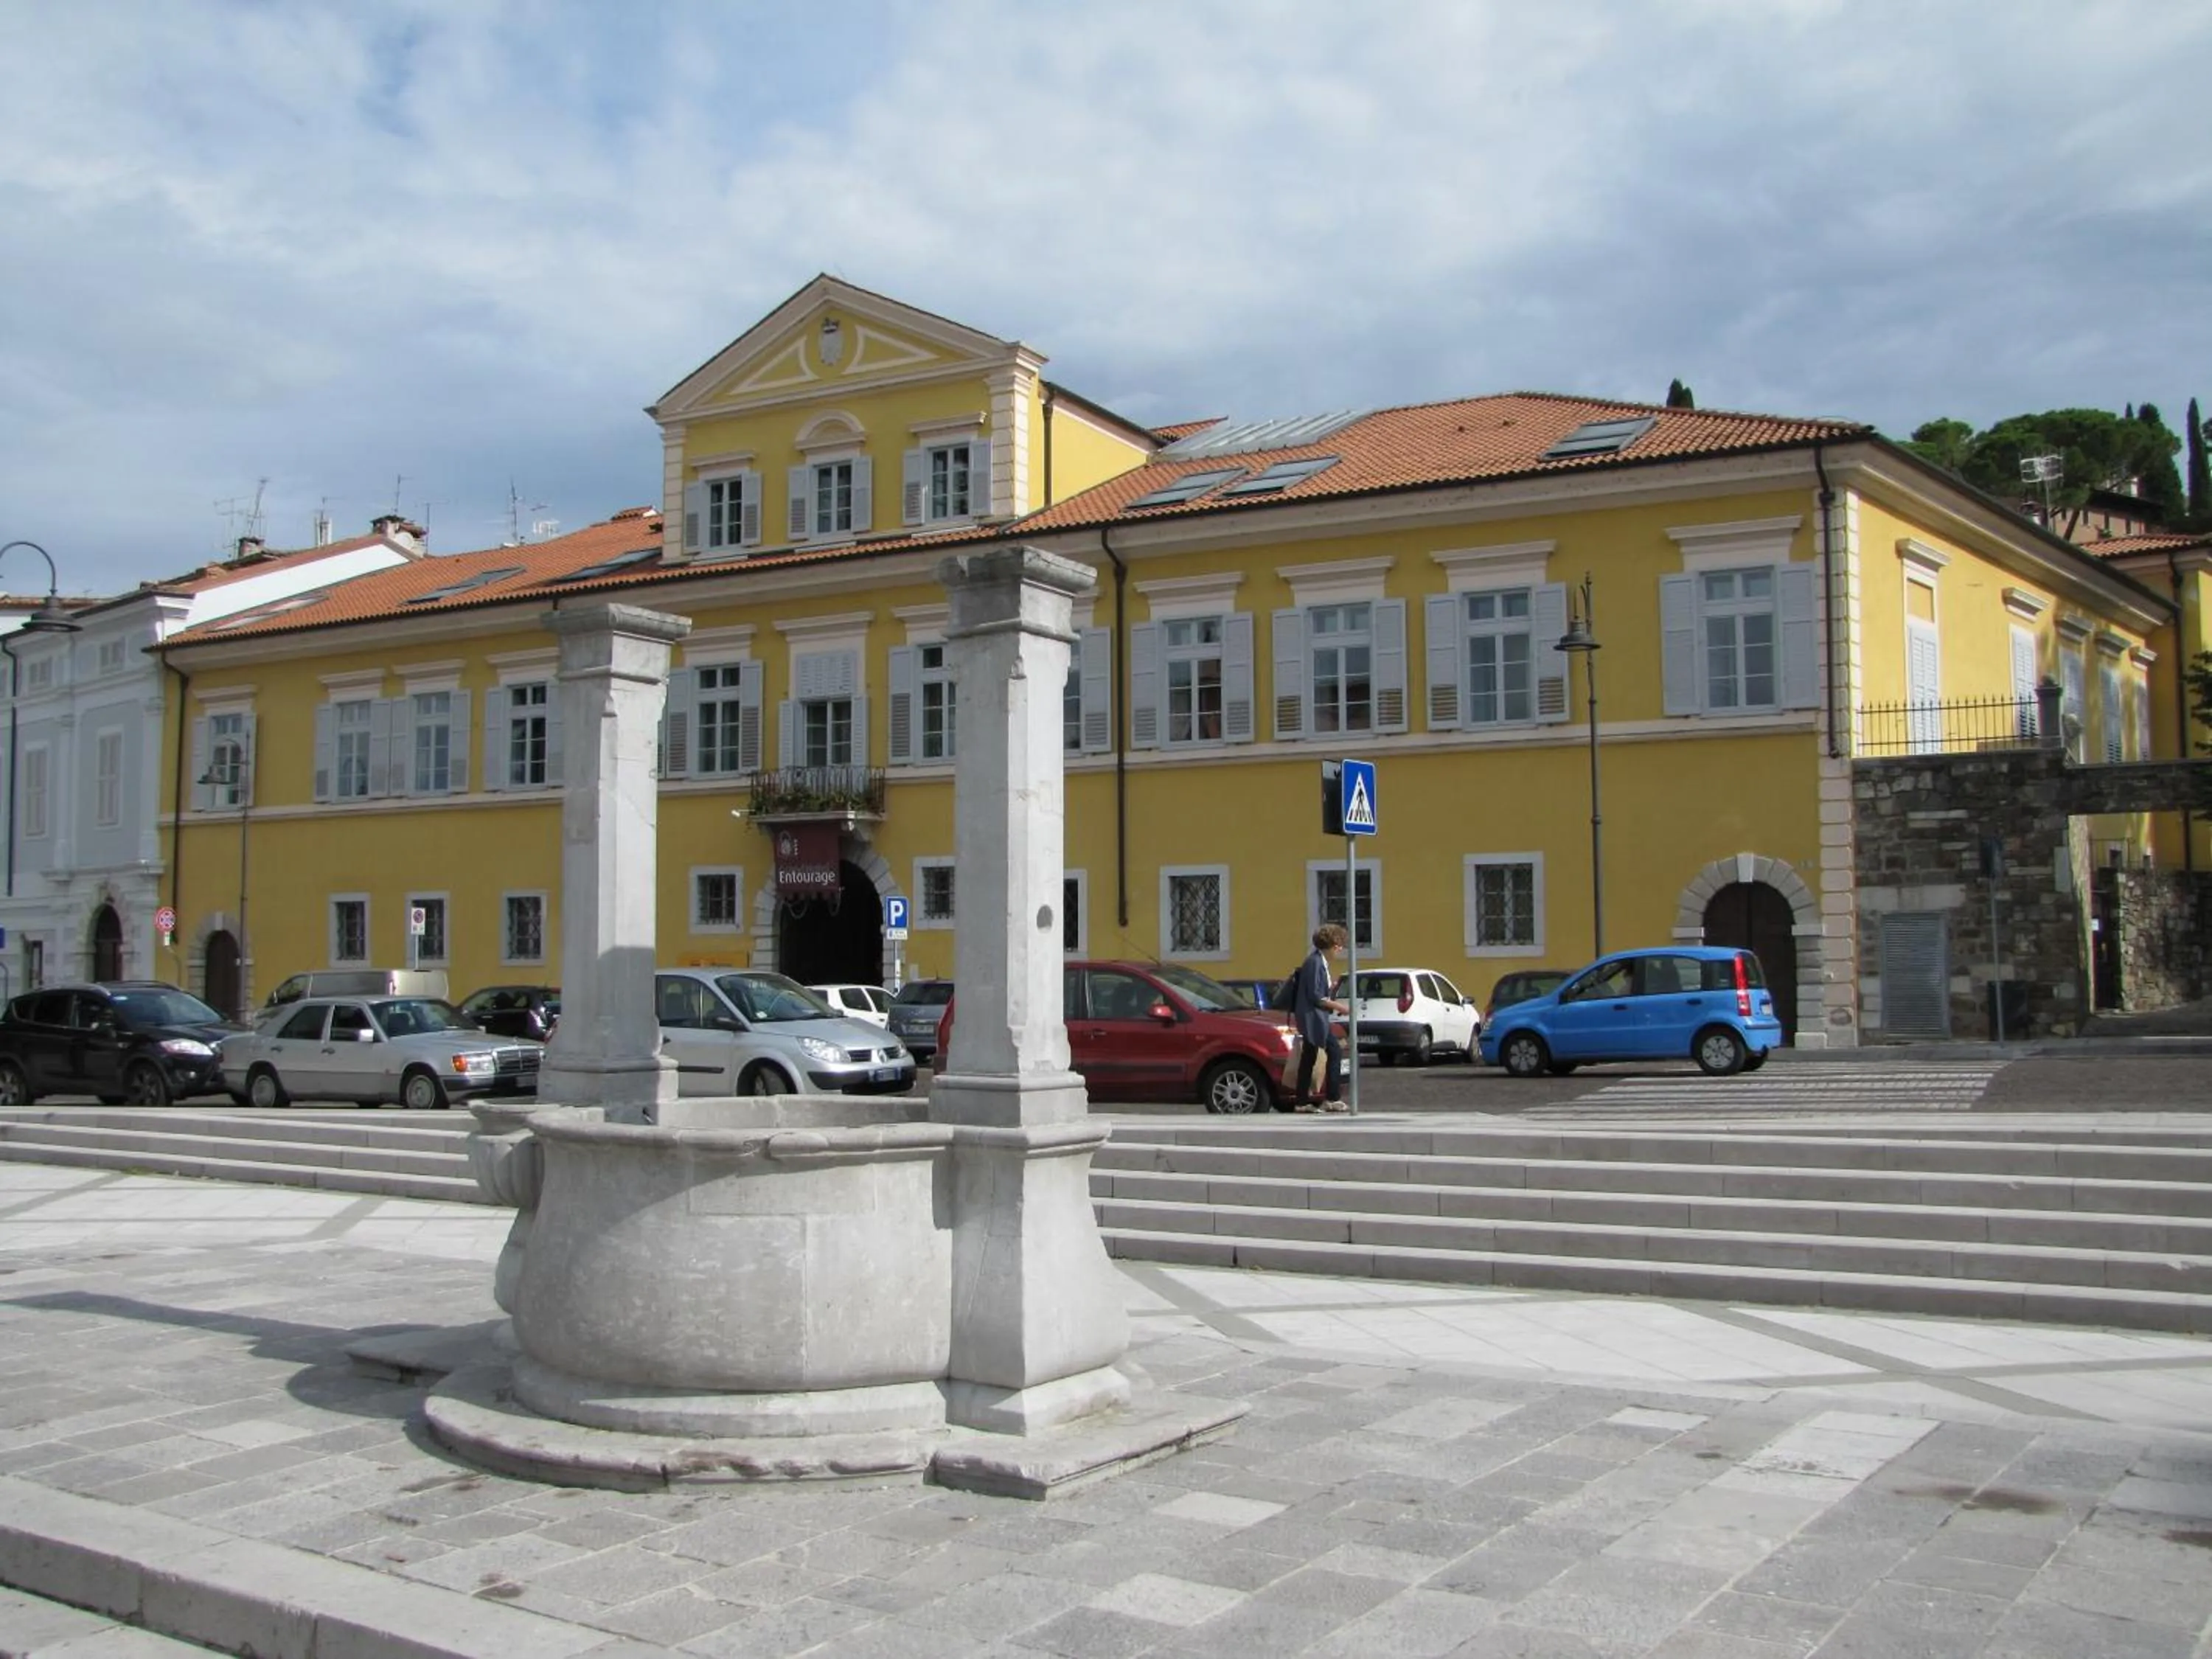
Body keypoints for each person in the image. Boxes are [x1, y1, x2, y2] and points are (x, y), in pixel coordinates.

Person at [1287, 923, 1351, 1113]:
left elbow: (1317, 991)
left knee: (1310, 1057)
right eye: (1339, 944)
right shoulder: (1315, 962)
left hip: (1314, 1017)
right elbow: (1315, 996)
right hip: (1312, 1018)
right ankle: (1331, 1098)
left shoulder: (1319, 961)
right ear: (1331, 944)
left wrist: (1331, 986)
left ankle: (1302, 1101)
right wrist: (1339, 1007)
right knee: (1334, 1052)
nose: (1340, 948)